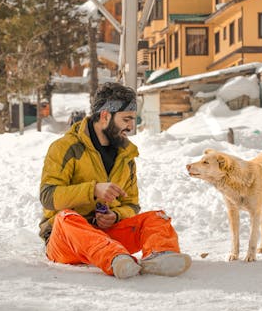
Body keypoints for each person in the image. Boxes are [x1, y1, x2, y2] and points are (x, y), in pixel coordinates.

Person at [39, 82, 191, 278]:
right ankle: (115, 259)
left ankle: (160, 254)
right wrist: (93, 190)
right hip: (66, 239)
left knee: (156, 218)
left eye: (132, 119)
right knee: (65, 218)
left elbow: (132, 205)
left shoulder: (126, 156)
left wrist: (116, 216)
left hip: (106, 234)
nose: (130, 126)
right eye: (126, 119)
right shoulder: (65, 148)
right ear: (105, 116)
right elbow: (48, 196)